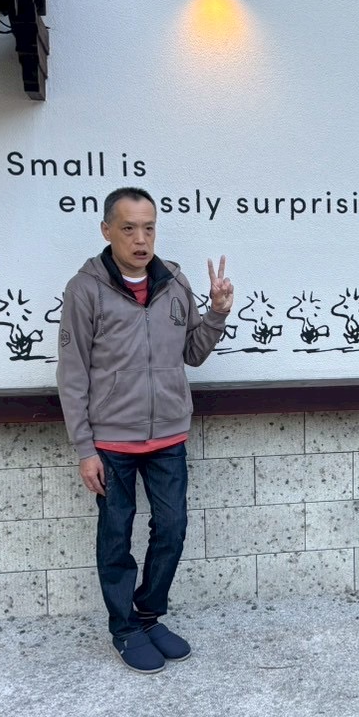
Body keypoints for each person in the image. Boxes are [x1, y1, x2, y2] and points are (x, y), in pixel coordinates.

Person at [56, 187, 233, 673]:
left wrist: (217, 312)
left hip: (168, 436)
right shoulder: (85, 289)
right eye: (129, 228)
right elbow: (72, 373)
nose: (140, 239)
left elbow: (192, 353)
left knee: (172, 528)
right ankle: (125, 628)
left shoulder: (174, 281)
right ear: (107, 231)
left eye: (149, 228)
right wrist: (85, 449)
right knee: (116, 535)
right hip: (111, 441)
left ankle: (149, 615)